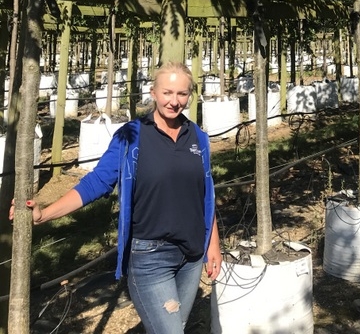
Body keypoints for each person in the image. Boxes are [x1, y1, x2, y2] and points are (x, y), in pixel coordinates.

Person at [11, 61, 222, 334]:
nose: (174, 101)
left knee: (174, 325)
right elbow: (97, 182)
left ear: (190, 95)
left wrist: (212, 242)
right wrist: (44, 214)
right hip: (151, 256)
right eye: (167, 93)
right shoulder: (131, 136)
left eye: (182, 93)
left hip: (191, 256)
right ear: (153, 93)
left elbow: (205, 193)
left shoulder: (199, 138)